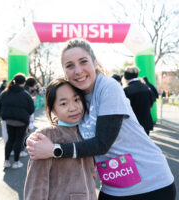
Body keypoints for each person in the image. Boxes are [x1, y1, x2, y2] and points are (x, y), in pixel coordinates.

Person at [26, 38, 176, 200]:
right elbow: (65, 127)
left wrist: (54, 149)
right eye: (70, 66)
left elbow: (102, 144)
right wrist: (36, 139)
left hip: (150, 184)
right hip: (114, 187)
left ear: (95, 63)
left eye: (83, 62)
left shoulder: (108, 87)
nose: (78, 70)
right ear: (64, 71)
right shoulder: (77, 96)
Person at [24, 78, 97, 200]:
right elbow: (36, 185)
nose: (73, 108)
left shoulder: (87, 132)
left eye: (76, 99)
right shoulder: (46, 136)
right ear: (53, 109)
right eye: (63, 103)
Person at [0, 73, 35, 169]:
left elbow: (0, 105)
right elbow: (31, 109)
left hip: (9, 120)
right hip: (21, 121)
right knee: (19, 140)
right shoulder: (25, 94)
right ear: (23, 83)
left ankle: (6, 161)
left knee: (10, 140)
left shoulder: (5, 92)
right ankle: (16, 162)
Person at [123, 66, 154, 135]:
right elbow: (151, 103)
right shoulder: (147, 88)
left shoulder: (126, 90)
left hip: (133, 125)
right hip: (146, 123)